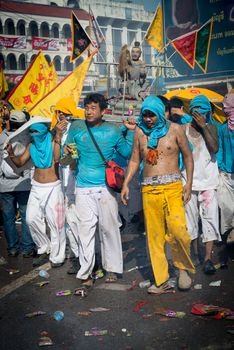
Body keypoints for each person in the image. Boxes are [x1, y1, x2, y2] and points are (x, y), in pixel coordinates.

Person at [121, 95, 195, 294]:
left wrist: (189, 184)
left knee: (178, 231)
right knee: (154, 236)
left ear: (159, 113)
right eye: (144, 115)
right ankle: (161, 280)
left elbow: (188, 156)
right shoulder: (139, 133)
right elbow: (135, 160)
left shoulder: (175, 129)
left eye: (151, 115)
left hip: (172, 187)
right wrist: (126, 184)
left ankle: (182, 270)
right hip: (149, 189)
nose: (148, 119)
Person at [63, 93, 135, 288]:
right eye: (87, 107)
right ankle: (86, 273)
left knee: (109, 228)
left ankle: (111, 268)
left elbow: (127, 153)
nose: (88, 111)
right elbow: (67, 158)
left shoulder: (112, 131)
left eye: (93, 108)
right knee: (85, 230)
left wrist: (129, 132)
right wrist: (66, 152)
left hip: (105, 188)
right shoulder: (77, 127)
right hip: (83, 188)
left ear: (103, 111)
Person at [6, 117, 66, 267]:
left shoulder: (53, 142)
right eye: (31, 131)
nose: (34, 134)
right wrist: (12, 154)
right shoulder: (31, 145)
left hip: (53, 187)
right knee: (30, 219)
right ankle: (44, 247)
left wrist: (58, 136)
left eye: (36, 131)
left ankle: (58, 256)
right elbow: (20, 162)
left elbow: (57, 158)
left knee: (55, 223)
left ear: (44, 131)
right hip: (36, 186)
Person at [182, 95, 221, 273]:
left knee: (210, 220)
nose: (199, 116)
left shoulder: (211, 128)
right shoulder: (183, 130)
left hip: (208, 184)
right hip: (188, 183)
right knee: (190, 223)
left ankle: (207, 258)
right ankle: (195, 255)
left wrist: (204, 126)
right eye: (196, 113)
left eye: (202, 113)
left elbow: (214, 148)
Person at [53, 97, 84, 274]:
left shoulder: (77, 129)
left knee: (80, 222)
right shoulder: (56, 132)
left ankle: (88, 257)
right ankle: (77, 257)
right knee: (69, 223)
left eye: (65, 114)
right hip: (64, 184)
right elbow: (57, 159)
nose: (62, 117)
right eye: (59, 113)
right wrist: (57, 136)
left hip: (79, 180)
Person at [0, 110, 35, 257]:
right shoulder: (27, 138)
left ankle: (13, 248)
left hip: (4, 184)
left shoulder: (1, 137)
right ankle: (27, 248)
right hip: (24, 183)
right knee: (26, 216)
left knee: (8, 218)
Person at [216, 91, 234, 244]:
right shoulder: (223, 128)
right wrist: (220, 167)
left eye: (227, 106)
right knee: (227, 206)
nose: (224, 109)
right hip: (227, 173)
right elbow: (220, 148)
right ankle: (229, 231)